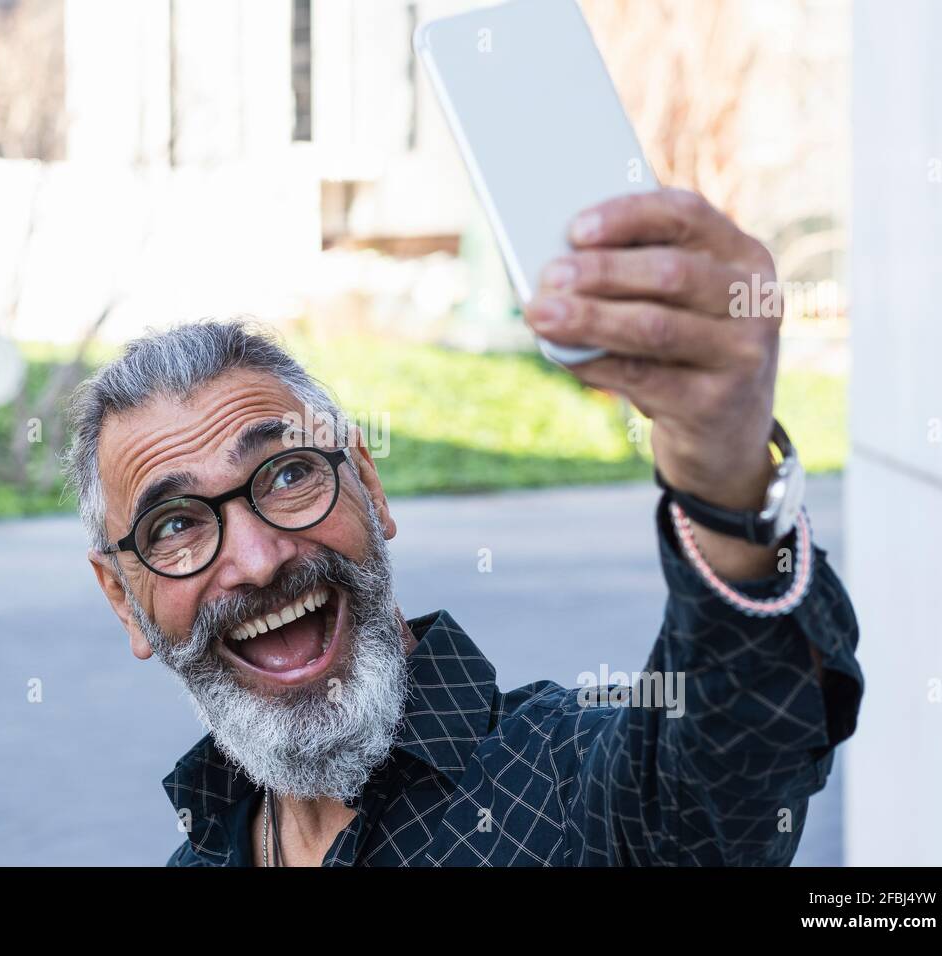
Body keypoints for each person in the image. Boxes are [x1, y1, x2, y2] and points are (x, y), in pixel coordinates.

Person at [66, 188, 862, 866]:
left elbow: (726, 771)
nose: (259, 558)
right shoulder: (206, 846)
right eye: (174, 525)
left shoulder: (567, 783)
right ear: (120, 596)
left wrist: (725, 480)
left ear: (369, 488)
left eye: (287, 473)